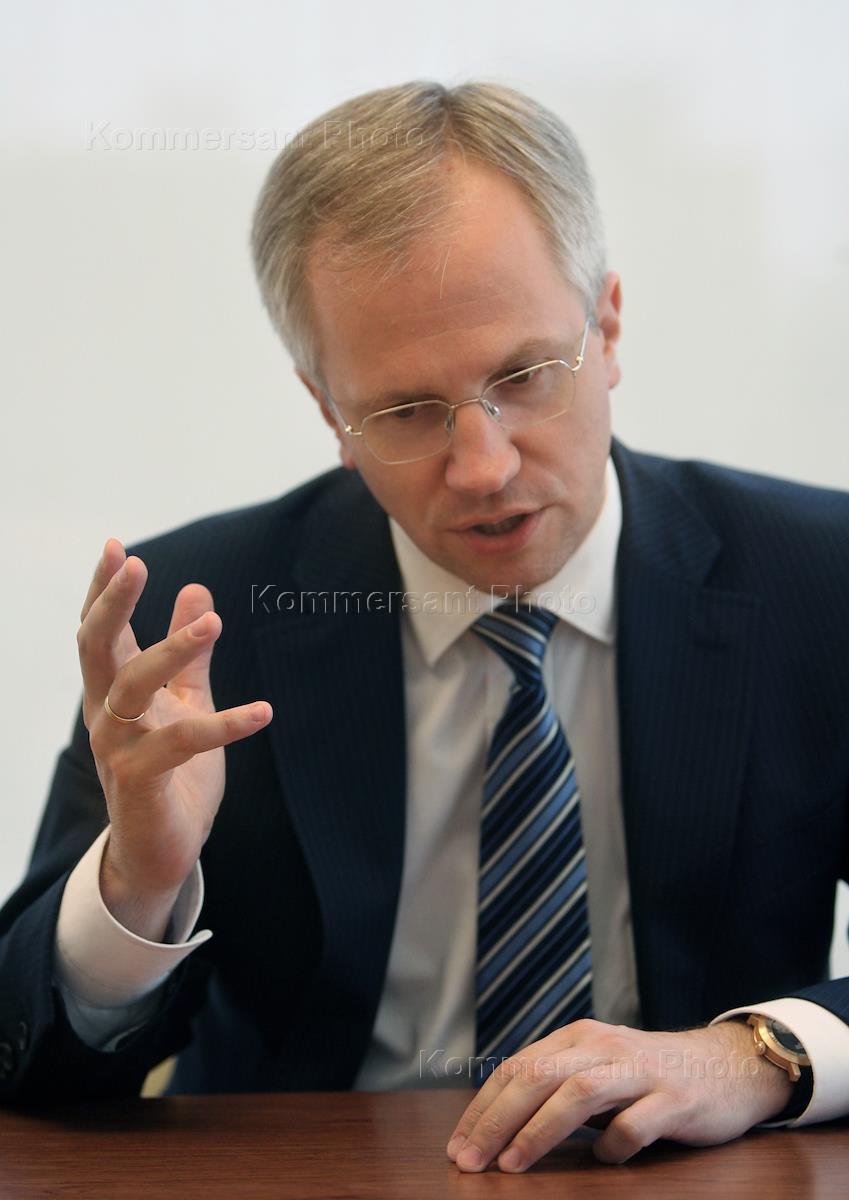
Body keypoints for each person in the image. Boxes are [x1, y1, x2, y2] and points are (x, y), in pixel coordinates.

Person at [1, 80, 848, 1174]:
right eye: (405, 411)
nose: (484, 467)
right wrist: (138, 884)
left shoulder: (817, 580)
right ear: (329, 412)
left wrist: (756, 1055)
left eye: (524, 376)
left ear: (607, 327)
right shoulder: (202, 619)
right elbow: (28, 1061)